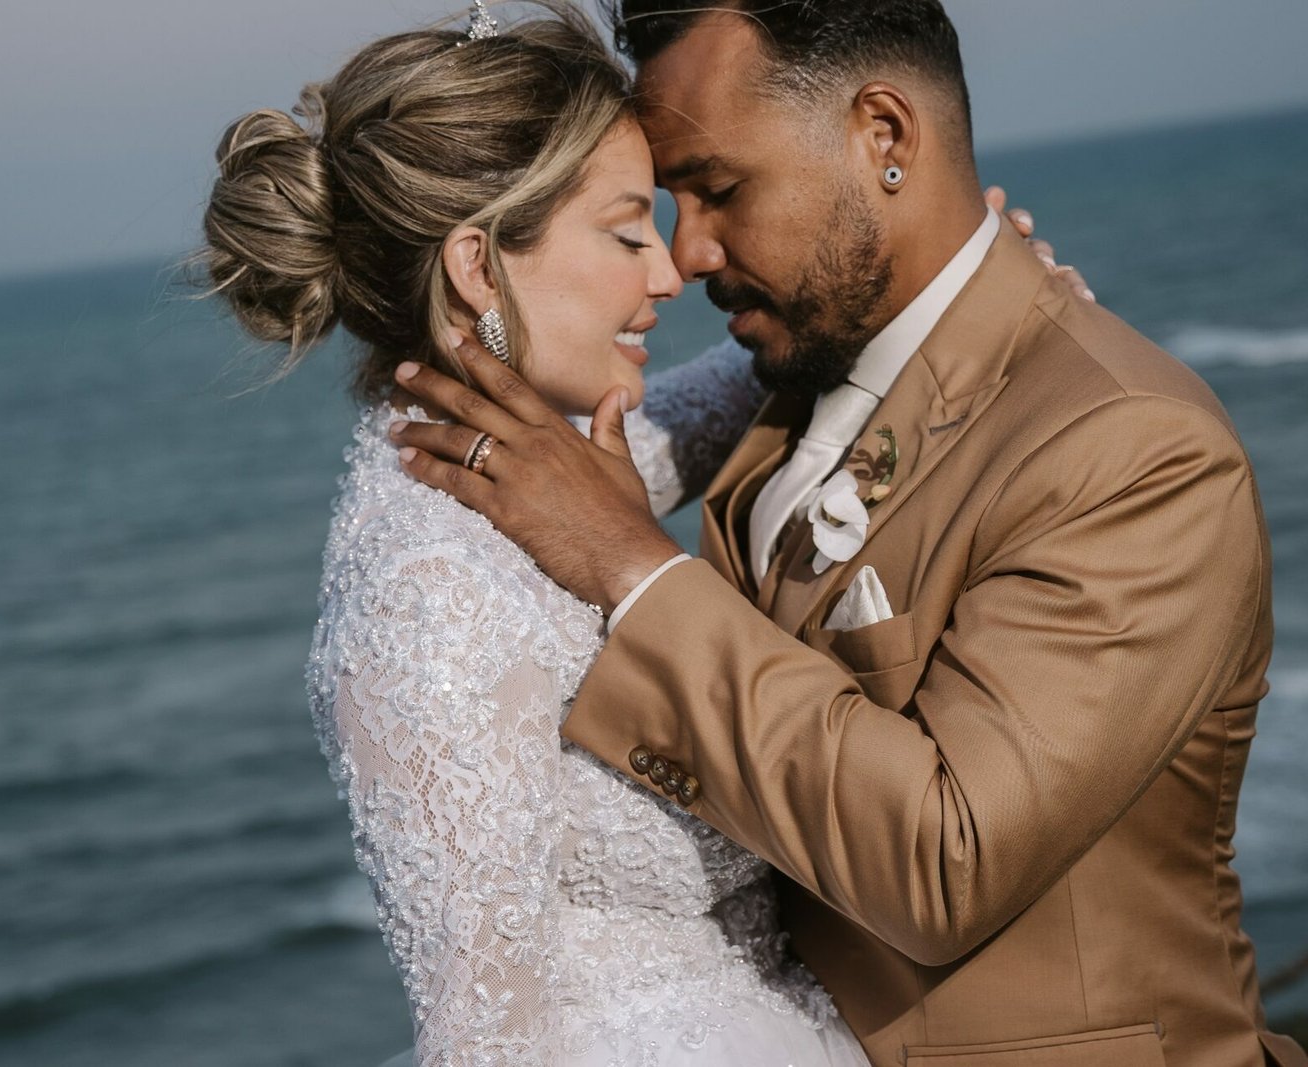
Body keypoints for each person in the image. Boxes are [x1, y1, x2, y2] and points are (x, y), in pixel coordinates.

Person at [388, 2, 1307, 1066]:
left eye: (721, 190)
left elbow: (949, 860)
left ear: (883, 135)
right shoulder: (796, 390)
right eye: (671, 202)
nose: (687, 253)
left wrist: (633, 567)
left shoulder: (1133, 446)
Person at [206, 3, 1066, 1063]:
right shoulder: (426, 592)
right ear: (478, 267)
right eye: (625, 234)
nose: (668, 273)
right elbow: (484, 1040)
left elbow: (731, 401)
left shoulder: (525, 468)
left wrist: (951, 295)